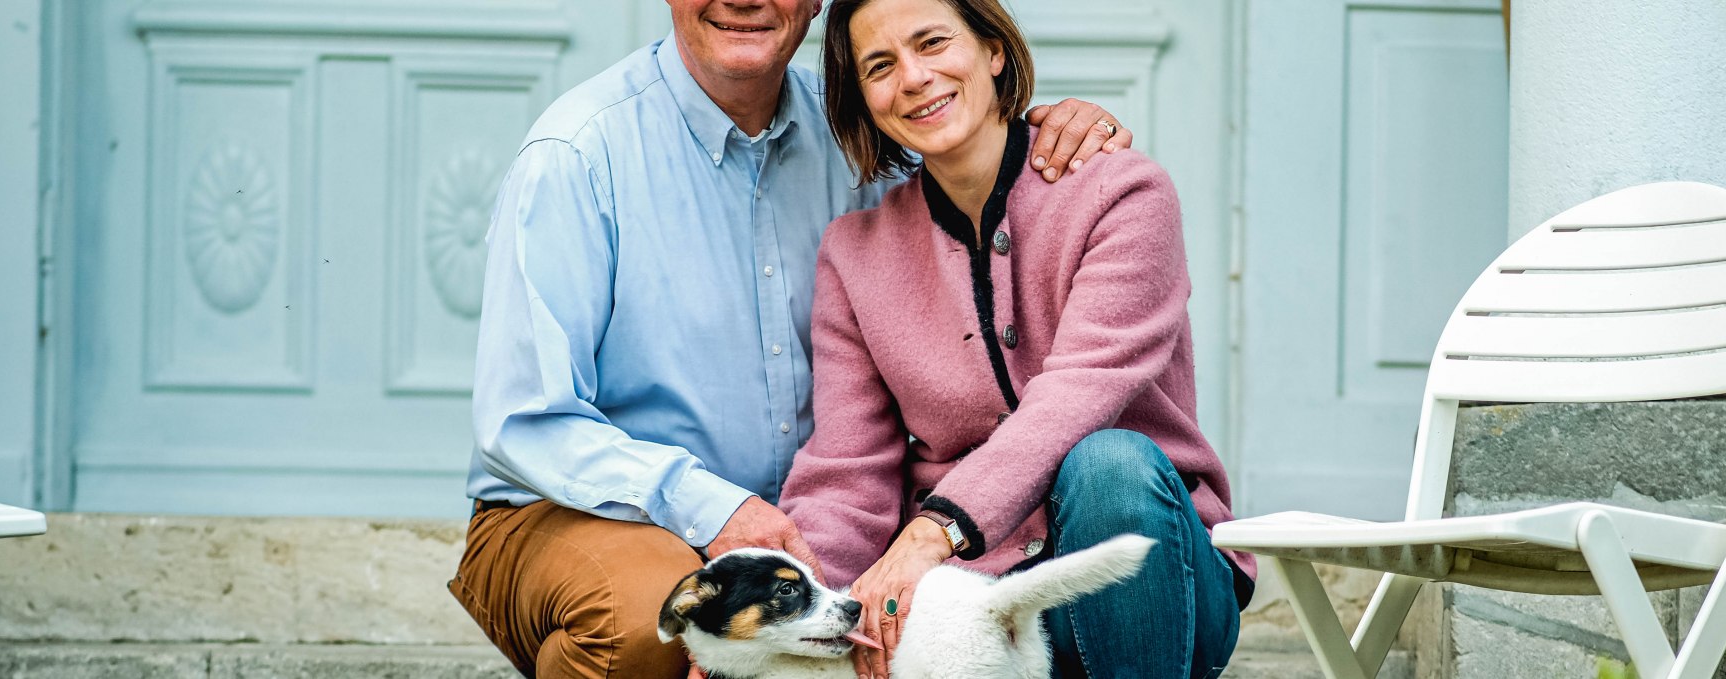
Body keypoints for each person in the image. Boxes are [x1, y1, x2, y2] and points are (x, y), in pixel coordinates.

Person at [445, 0, 1134, 676]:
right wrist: (716, 508)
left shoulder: (869, 127)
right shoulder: (577, 153)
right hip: (584, 508)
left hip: (822, 523)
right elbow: (523, 422)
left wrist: (1054, 130)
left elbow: (973, 151)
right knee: (647, 625)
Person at [775, 0, 1256, 677]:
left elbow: (1076, 394)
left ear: (993, 50)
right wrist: (784, 614)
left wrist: (932, 531)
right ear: (864, 98)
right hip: (981, 606)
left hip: (1154, 586)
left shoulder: (1122, 193)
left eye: (932, 42)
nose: (912, 77)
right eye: (880, 65)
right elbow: (849, 473)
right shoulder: (854, 256)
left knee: (1109, 461)